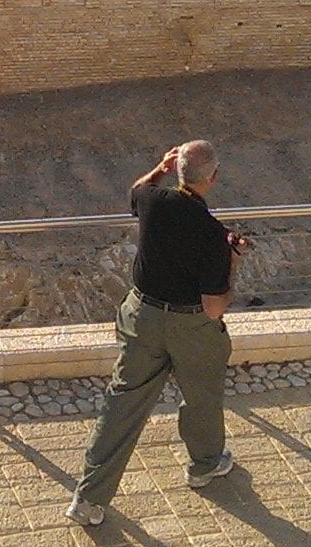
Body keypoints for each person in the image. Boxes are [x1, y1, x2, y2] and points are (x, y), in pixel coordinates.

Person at [66, 140, 247, 527]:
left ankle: (88, 498)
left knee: (122, 403)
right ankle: (205, 466)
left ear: (176, 170)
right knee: (201, 396)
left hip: (142, 317)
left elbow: (135, 191)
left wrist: (160, 167)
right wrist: (232, 261)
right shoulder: (214, 234)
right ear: (212, 178)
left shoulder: (152, 201)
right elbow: (214, 306)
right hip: (190, 326)